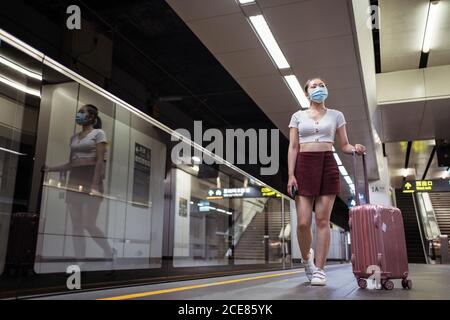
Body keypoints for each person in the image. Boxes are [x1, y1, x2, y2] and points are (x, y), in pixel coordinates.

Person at [287, 78, 366, 286]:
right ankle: (307, 260)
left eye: (321, 85)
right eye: (313, 86)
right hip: (303, 165)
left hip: (328, 164)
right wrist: (290, 174)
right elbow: (293, 147)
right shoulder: (297, 116)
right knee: (303, 222)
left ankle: (320, 270)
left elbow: (344, 145)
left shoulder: (336, 115)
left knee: (323, 221)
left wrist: (354, 148)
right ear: (306, 94)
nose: (318, 88)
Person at [44, 104, 114, 265]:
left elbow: (99, 161)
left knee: (89, 223)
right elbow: (71, 164)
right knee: (76, 225)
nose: (78, 114)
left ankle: (108, 251)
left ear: (91, 117)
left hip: (91, 177)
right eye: (78, 112)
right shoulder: (73, 138)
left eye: (82, 112)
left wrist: (95, 185)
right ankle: (79, 261)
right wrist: (51, 169)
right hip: (75, 177)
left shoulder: (98, 133)